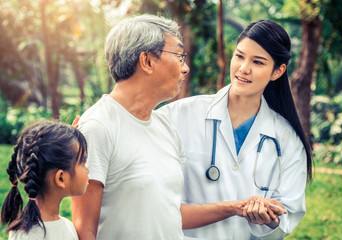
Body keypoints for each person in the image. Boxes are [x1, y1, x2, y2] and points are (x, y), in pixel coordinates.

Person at [71, 14, 286, 240]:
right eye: (179, 56)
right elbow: (84, 229)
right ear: (147, 61)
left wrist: (236, 208)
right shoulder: (98, 127)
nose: (186, 68)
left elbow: (170, 213)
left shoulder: (165, 127)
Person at [158, 19, 313, 239]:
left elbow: (289, 213)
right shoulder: (177, 115)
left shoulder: (287, 139)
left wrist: (268, 217)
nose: (243, 68)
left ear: (277, 72)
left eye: (258, 62)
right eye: (239, 56)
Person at [0, 120, 88, 240]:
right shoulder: (29, 236)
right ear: (61, 178)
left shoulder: (67, 227)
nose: (87, 170)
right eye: (82, 162)